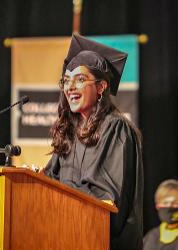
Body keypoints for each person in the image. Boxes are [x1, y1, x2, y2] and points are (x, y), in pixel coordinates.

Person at [43, 34, 143, 250]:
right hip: (66, 239)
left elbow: (105, 196)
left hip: (102, 243)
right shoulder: (68, 133)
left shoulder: (116, 128)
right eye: (66, 80)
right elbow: (51, 179)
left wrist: (56, 189)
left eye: (79, 79)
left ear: (101, 87)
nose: (70, 87)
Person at [143, 179, 178, 250]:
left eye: (175, 202)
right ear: (157, 206)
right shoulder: (151, 236)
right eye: (165, 203)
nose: (169, 206)